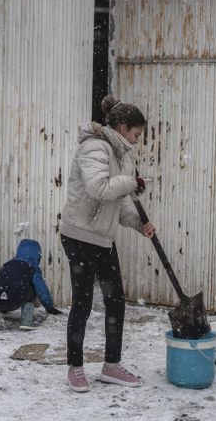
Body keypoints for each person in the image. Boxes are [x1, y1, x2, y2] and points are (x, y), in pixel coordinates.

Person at [58, 96, 155, 393]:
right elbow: (99, 189)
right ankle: (75, 368)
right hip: (79, 235)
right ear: (123, 127)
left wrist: (140, 225)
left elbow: (119, 204)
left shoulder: (122, 153)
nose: (137, 141)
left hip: (103, 238)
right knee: (83, 303)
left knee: (115, 301)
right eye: (136, 134)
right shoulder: (95, 147)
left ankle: (111, 365)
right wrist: (130, 182)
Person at [0, 239, 63, 330]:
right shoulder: (32, 268)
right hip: (16, 300)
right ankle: (26, 322)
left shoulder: (7, 264)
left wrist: (3, 303)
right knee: (32, 289)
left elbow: (3, 283)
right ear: (37, 255)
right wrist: (49, 307)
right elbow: (41, 289)